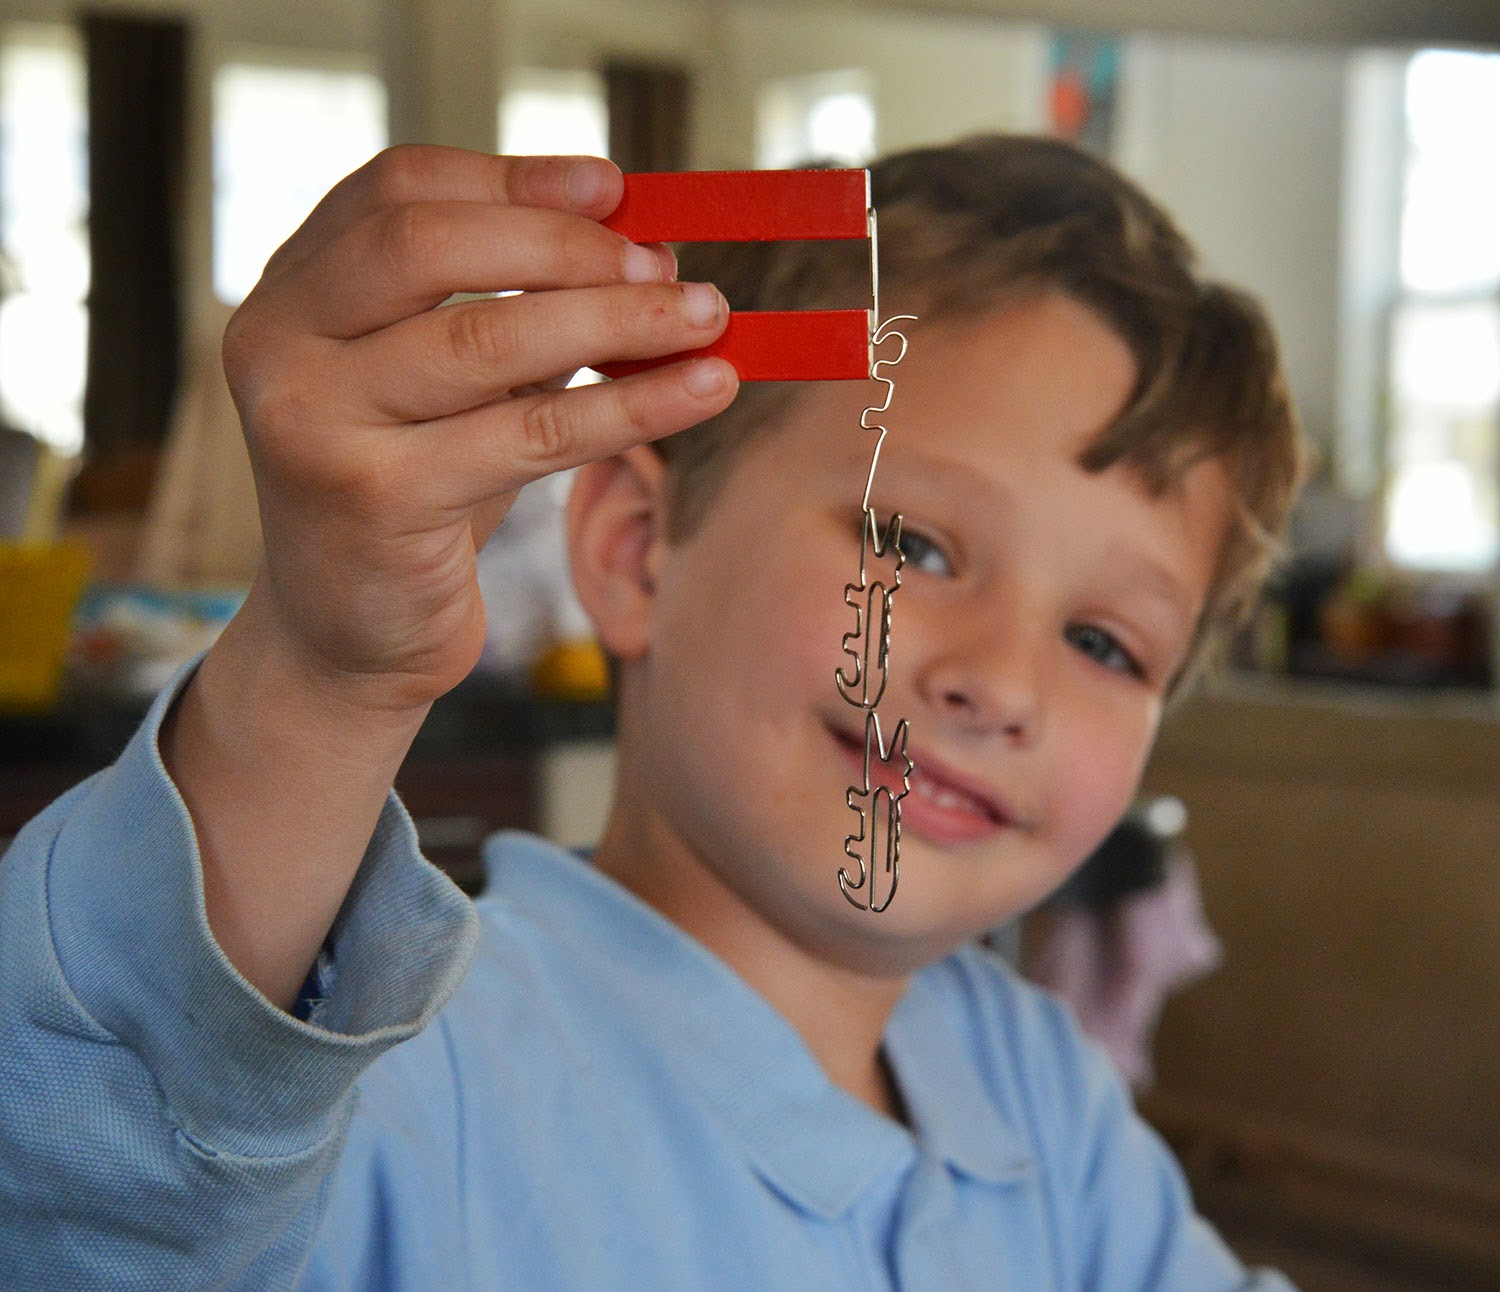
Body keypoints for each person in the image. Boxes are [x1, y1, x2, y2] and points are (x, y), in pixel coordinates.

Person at [0, 135, 1303, 1289]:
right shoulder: (395, 1092)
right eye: (911, 545)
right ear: (635, 549)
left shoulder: (1045, 1097)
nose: (1003, 685)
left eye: (1103, 643)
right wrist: (322, 673)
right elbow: (89, 1214)